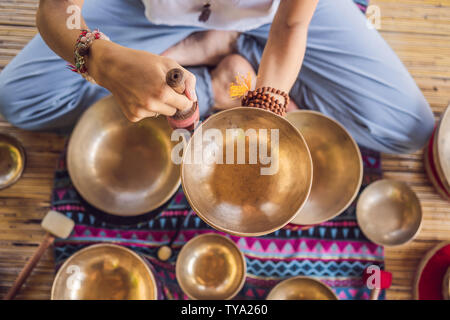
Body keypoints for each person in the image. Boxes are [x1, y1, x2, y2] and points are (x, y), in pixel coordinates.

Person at [0, 0, 434, 154]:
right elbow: (58, 10)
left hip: (273, 16)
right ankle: (207, 70)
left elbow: (291, 26)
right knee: (20, 100)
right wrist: (103, 60)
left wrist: (267, 100)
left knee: (407, 130)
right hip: (145, 10)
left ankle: (224, 50)